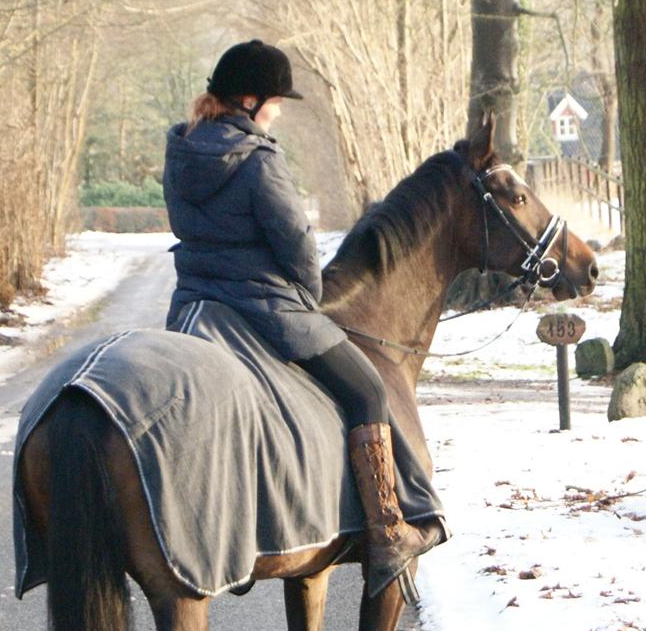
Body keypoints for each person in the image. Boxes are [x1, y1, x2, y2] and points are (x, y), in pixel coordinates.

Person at [161, 38, 442, 598]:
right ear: (248, 99)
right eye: (276, 101)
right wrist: (309, 297)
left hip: (194, 309)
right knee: (367, 390)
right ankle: (389, 531)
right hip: (268, 311)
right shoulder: (259, 160)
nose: (279, 111)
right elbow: (297, 245)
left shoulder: (181, 149)